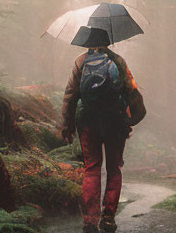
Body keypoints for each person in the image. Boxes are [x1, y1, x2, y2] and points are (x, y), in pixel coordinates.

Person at [61, 36, 146, 233]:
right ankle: (108, 217)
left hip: (87, 122)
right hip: (114, 122)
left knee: (92, 169)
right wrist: (131, 120)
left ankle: (90, 220)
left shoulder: (81, 62)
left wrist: (67, 126)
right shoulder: (117, 61)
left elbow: (70, 95)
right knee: (114, 168)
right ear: (108, 40)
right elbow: (131, 91)